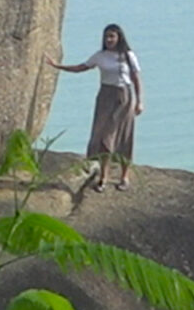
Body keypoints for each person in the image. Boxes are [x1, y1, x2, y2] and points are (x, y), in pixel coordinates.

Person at [50, 23, 143, 192]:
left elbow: (136, 78)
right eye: (107, 36)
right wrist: (58, 66)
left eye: (112, 36)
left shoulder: (128, 55)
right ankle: (104, 177)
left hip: (125, 97)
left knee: (124, 136)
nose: (109, 40)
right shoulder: (100, 56)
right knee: (104, 138)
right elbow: (80, 68)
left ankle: (124, 177)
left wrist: (139, 101)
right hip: (106, 96)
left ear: (119, 37)